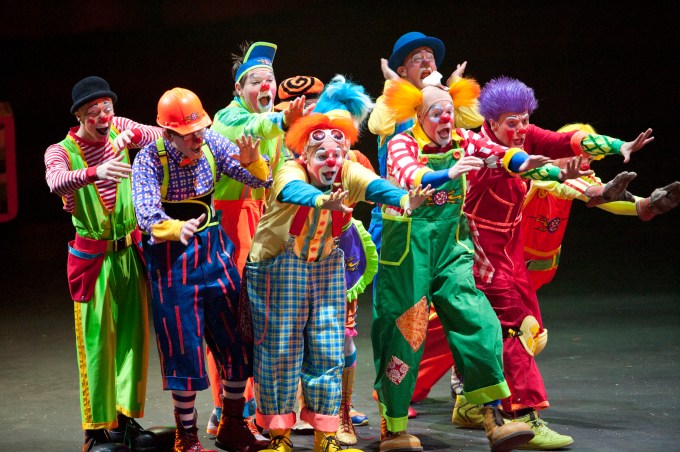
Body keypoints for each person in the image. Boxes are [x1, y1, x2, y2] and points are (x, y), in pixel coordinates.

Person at [372, 75, 573, 451]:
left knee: (480, 323)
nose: (446, 119)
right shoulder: (403, 142)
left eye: (449, 111)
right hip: (409, 251)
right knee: (406, 333)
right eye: (436, 113)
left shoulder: (464, 140)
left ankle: (492, 417)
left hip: (450, 247)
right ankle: (394, 428)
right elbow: (410, 174)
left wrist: (535, 164)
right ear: (419, 115)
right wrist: (448, 173)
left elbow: (499, 153)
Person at [458, 76, 653, 450]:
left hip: (508, 250)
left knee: (505, 330)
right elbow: (529, 168)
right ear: (491, 122)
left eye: (525, 119)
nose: (521, 129)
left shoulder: (522, 135)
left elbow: (568, 140)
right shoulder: (482, 148)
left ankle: (471, 403)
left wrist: (620, 145)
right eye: (512, 122)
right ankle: (525, 416)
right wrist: (576, 179)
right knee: (514, 330)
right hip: (481, 252)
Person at [244, 111, 433, 452]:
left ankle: (326, 435)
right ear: (306, 157)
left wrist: (403, 199)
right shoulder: (291, 169)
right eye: (321, 155)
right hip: (277, 268)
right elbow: (291, 190)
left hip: (325, 267)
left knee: (328, 348)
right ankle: (279, 437)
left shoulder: (346, 171)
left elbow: (374, 185)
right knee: (280, 353)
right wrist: (319, 199)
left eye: (336, 154)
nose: (330, 161)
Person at [131, 87, 271, 452]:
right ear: (168, 133)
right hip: (172, 262)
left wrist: (254, 163)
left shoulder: (212, 144)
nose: (198, 137)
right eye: (189, 133)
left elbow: (261, 181)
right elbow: (145, 212)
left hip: (214, 252)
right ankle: (188, 435)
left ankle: (233, 424)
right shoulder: (150, 159)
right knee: (183, 346)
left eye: (201, 129)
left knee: (237, 338)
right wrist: (174, 228)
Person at [44, 75, 165, 451]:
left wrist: (134, 136)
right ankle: (95, 432)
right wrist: (95, 171)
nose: (103, 116)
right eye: (93, 111)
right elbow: (56, 181)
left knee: (132, 340)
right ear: (80, 115)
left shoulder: (120, 127)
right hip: (94, 259)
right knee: (98, 342)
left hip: (129, 252)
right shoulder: (61, 150)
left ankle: (123, 422)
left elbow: (161, 137)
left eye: (107, 108)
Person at [366, 32, 483, 418]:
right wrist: (394, 88)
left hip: (443, 227)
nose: (427, 62)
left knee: (459, 308)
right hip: (401, 225)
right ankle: (390, 393)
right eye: (417, 58)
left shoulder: (442, 105)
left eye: (430, 56)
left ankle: (467, 391)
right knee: (401, 317)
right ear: (402, 70)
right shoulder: (393, 107)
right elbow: (377, 124)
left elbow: (475, 121)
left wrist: (451, 91)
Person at [206, 43, 312, 434]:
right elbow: (256, 129)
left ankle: (266, 408)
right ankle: (229, 410)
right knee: (233, 317)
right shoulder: (228, 119)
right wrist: (282, 121)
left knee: (264, 318)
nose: (265, 86)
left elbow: (279, 169)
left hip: (266, 222)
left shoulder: (271, 123)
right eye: (256, 81)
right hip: (231, 224)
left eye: (270, 79)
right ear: (238, 88)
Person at [521, 123, 680, 291]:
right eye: (578, 155)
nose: (584, 163)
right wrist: (596, 191)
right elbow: (563, 184)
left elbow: (610, 199)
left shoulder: (580, 176)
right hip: (513, 269)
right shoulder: (536, 170)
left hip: (542, 272)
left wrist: (648, 204)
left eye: (589, 159)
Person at [312, 74, 378, 445]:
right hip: (306, 257)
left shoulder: (357, 161)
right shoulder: (302, 160)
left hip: (343, 259)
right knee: (306, 338)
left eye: (347, 126)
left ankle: (341, 411)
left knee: (344, 339)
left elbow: (377, 191)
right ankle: (310, 409)